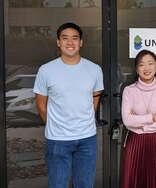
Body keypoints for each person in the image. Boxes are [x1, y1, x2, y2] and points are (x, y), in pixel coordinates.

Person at [33, 22, 104, 188]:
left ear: (81, 42)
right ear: (58, 42)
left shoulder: (94, 70)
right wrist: (55, 126)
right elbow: (41, 105)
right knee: (58, 185)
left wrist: (85, 122)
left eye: (75, 38)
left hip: (87, 139)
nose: (70, 42)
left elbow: (95, 100)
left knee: (85, 185)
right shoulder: (46, 70)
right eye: (65, 38)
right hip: (58, 140)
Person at [121, 50, 156, 188]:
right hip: (135, 142)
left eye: (150, 64)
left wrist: (141, 124)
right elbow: (127, 120)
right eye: (142, 64)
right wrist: (153, 118)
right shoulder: (129, 90)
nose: (146, 68)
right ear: (136, 69)